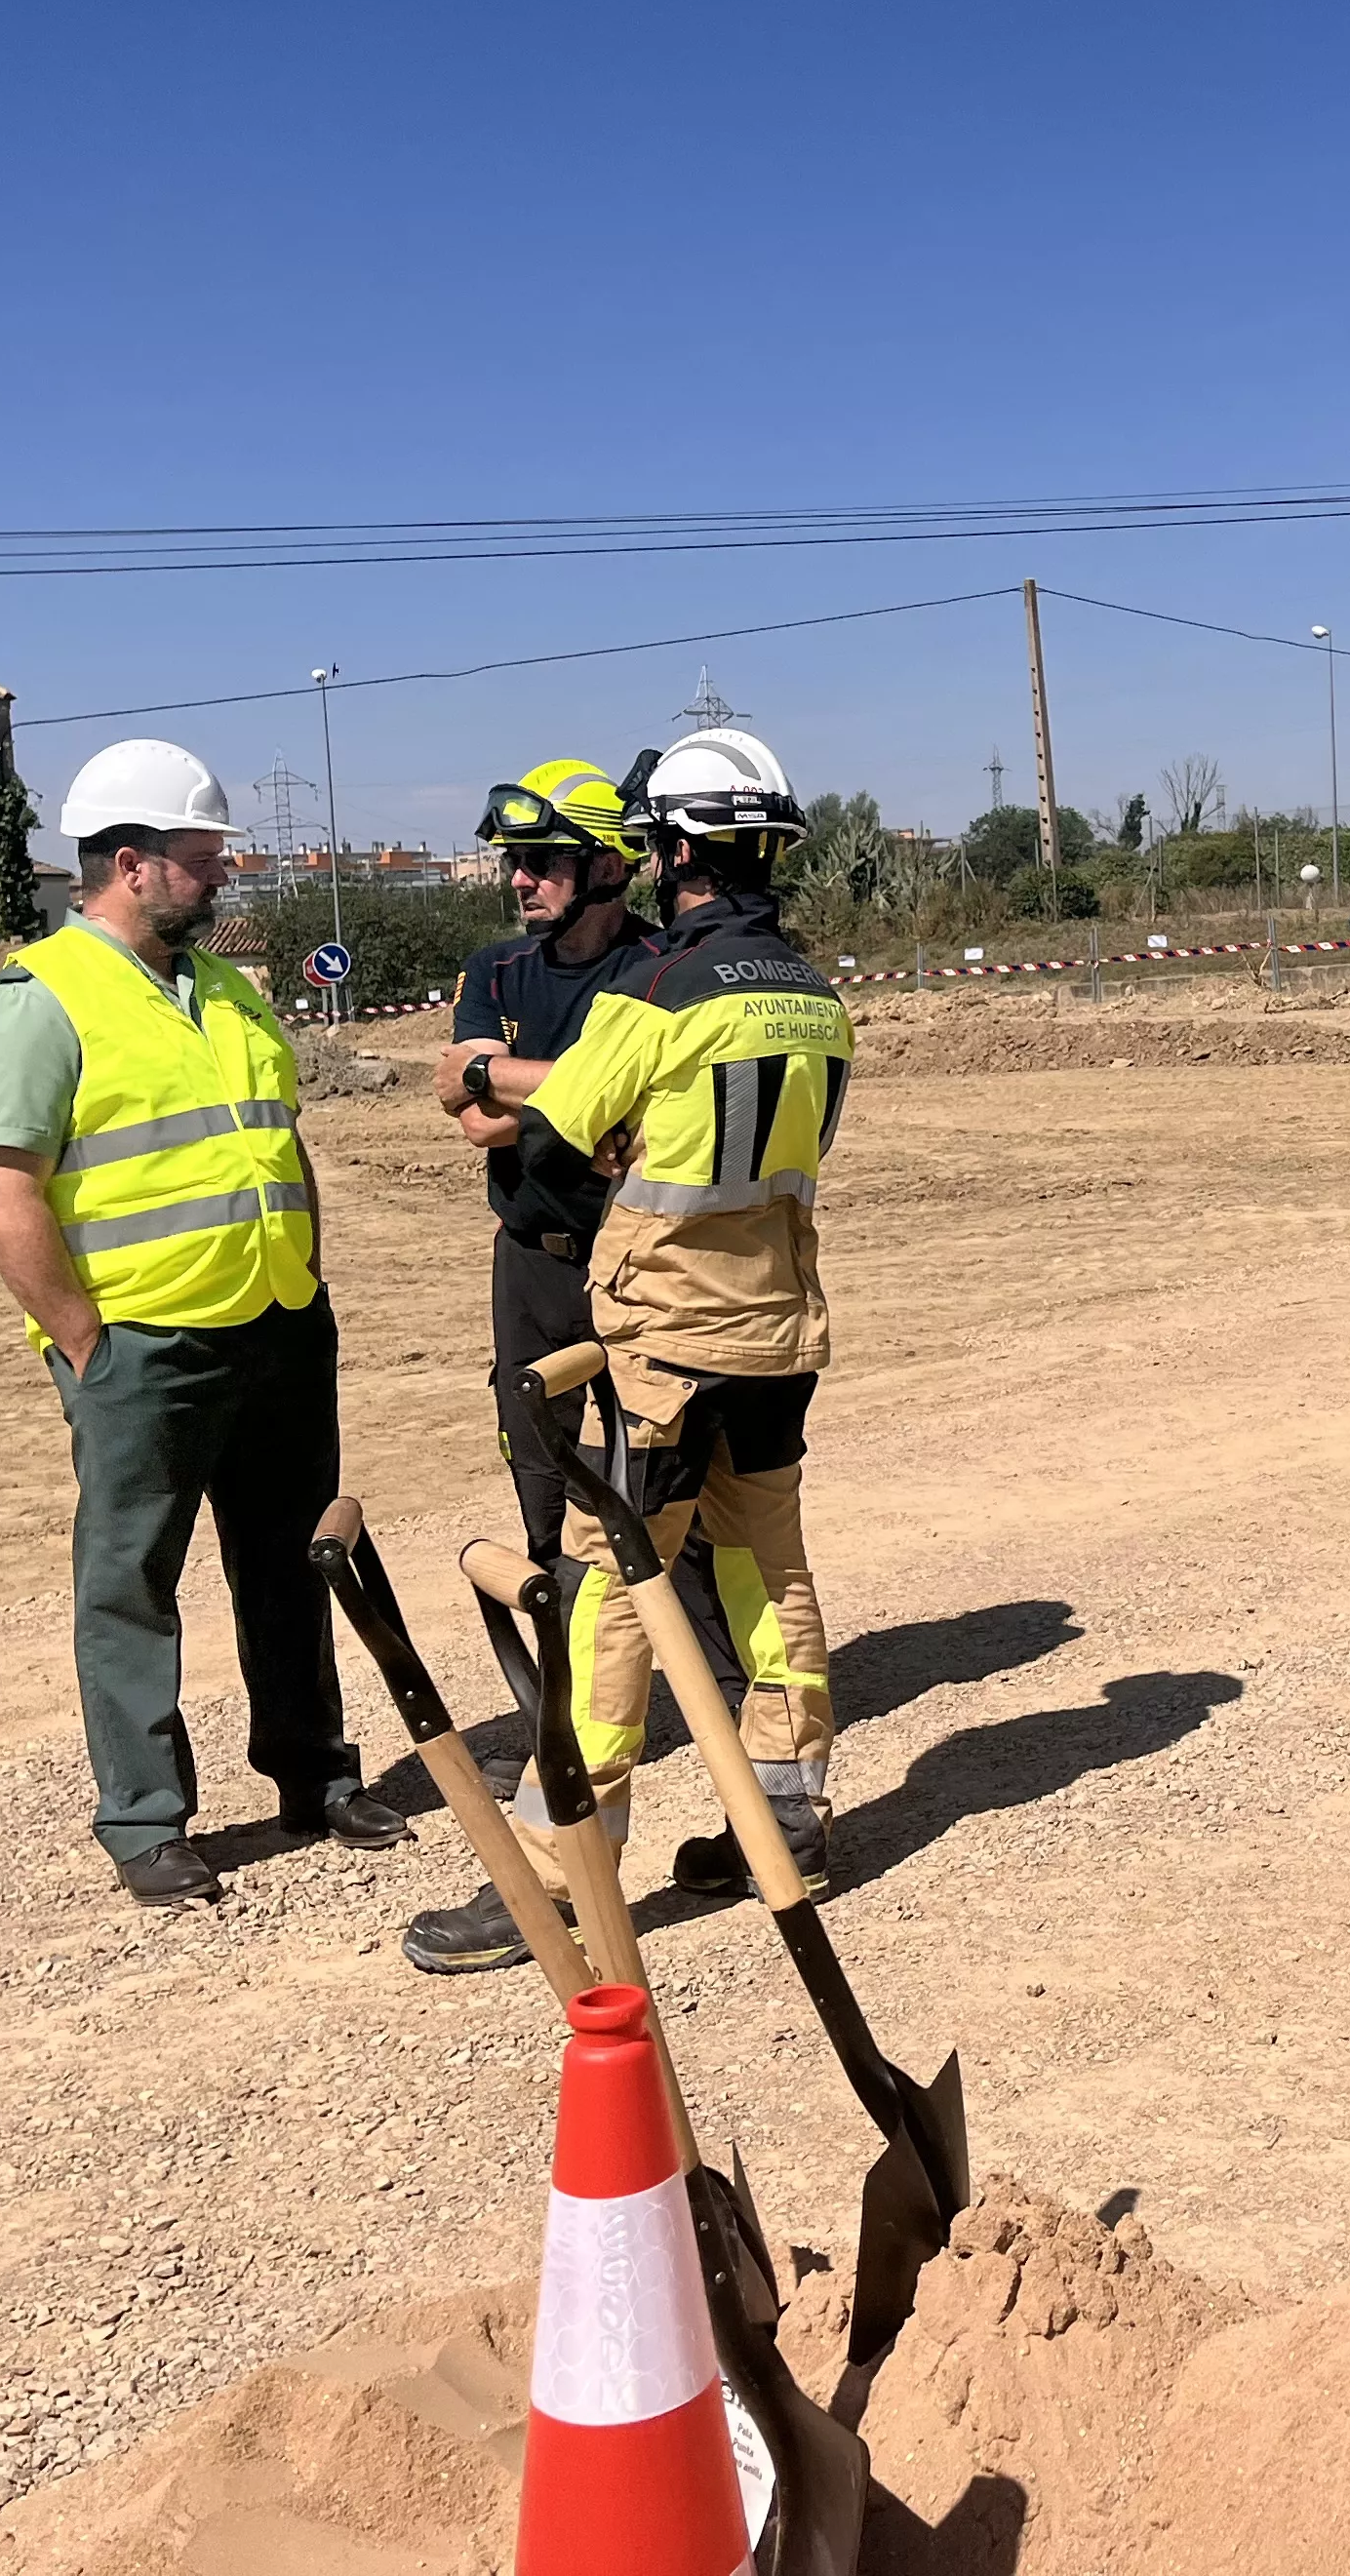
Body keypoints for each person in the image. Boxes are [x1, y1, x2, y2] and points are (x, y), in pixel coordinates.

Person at [0, 735, 404, 1907]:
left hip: (278, 1325)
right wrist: (87, 1344)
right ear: (129, 863)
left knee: (291, 1563)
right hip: (146, 1348)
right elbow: (2, 1190)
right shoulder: (36, 1000)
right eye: (204, 862)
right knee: (131, 1583)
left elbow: (276, 1141)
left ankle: (314, 1773)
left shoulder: (225, 989)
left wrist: (305, 1281)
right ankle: (146, 1819)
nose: (222, 881)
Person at [448, 729, 852, 1903]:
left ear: (669, 850)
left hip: (665, 1337)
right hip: (779, 1324)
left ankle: (559, 1869)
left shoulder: (655, 994)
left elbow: (557, 1122)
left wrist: (482, 1076)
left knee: (607, 1590)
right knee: (769, 1567)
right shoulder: (819, 1000)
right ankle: (791, 1817)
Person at [399, 756, 749, 1973]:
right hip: (534, 1260)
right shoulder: (495, 970)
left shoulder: (654, 967)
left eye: (545, 861)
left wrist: (528, 1091)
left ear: (610, 863)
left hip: (638, 1261)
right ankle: (575, 1717)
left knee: (665, 1502)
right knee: (548, 1503)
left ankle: (706, 1720)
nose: (523, 881)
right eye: (514, 861)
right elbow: (473, 1110)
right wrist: (561, 1099)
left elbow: (627, 1119)